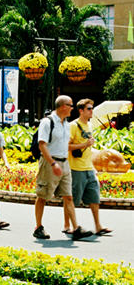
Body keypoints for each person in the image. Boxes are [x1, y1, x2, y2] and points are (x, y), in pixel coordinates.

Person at [33, 95, 93, 240]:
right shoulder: (47, 122)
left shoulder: (66, 124)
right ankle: (38, 227)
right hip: (50, 163)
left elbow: (66, 146)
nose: (73, 108)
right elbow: (42, 145)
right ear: (63, 106)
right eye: (71, 105)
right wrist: (53, 163)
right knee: (42, 196)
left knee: (69, 196)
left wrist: (84, 145)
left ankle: (76, 228)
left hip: (64, 163)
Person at [64, 98, 112, 235]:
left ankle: (98, 226)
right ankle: (69, 225)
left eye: (92, 108)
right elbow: (66, 146)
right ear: (81, 111)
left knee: (94, 197)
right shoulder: (73, 126)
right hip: (76, 168)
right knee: (72, 198)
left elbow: (89, 149)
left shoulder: (90, 126)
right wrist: (84, 145)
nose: (92, 111)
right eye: (89, 109)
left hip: (89, 168)